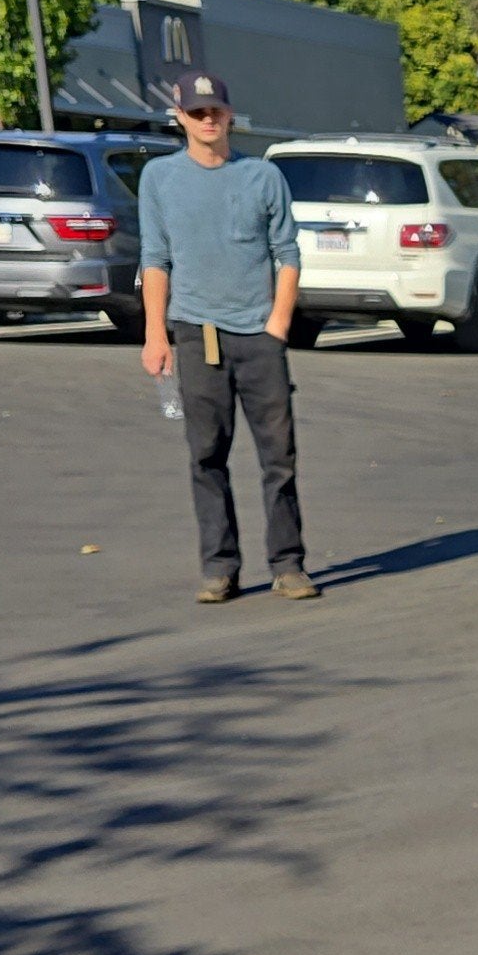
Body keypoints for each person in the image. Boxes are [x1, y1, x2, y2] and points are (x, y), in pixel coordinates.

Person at [135, 72, 315, 604]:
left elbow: (288, 254)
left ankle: (288, 563)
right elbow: (155, 259)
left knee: (278, 457)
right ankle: (220, 567)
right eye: (197, 112)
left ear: (230, 114)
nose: (207, 119)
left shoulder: (262, 177)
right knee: (206, 455)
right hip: (197, 335)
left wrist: (277, 325)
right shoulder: (159, 178)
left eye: (215, 110)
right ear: (180, 116)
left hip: (259, 335)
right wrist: (155, 335)